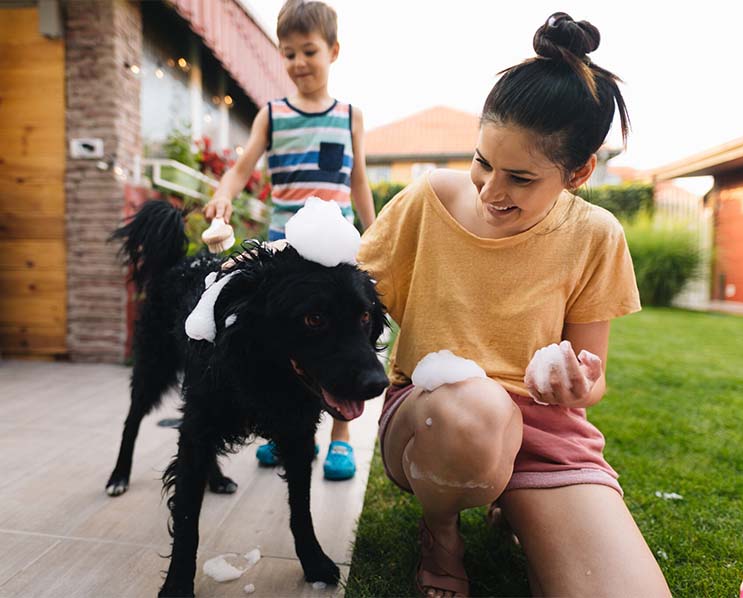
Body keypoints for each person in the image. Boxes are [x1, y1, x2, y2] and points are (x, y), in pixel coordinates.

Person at [357, 12, 672, 598]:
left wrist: (580, 386)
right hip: (437, 420)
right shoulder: (428, 200)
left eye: (521, 179)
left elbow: (592, 374)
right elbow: (352, 297)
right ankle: (442, 532)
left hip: (543, 429)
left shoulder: (597, 235)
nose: (490, 191)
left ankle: (514, 503)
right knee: (473, 412)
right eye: (482, 162)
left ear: (578, 172)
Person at [204, 0, 376, 481]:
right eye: (289, 54)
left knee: (344, 343)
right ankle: (289, 432)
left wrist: (374, 229)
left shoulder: (349, 116)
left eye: (309, 52)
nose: (299, 63)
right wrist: (222, 197)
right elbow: (240, 170)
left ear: (333, 51)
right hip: (286, 251)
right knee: (292, 347)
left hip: (340, 248)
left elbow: (358, 180)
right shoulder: (272, 115)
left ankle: (341, 438)